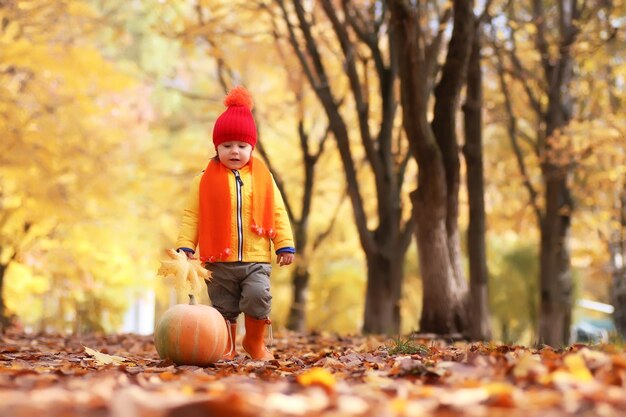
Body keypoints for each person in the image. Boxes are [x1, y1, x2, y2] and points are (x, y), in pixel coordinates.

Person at [175, 86, 295, 361]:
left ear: (251, 147)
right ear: (216, 147)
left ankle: (254, 342)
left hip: (255, 257)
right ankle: (226, 345)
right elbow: (193, 214)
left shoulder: (263, 178)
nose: (235, 152)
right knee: (223, 306)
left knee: (258, 296)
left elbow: (277, 210)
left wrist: (284, 244)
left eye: (242, 146)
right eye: (227, 146)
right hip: (219, 259)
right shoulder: (203, 179)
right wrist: (185, 245)